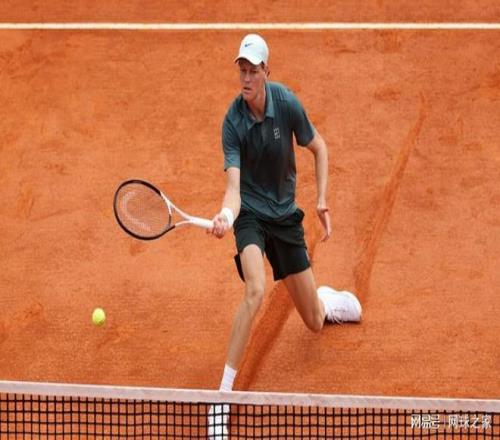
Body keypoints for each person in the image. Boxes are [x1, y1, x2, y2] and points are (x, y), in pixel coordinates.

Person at [209, 33, 362, 395]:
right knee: (255, 290)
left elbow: (318, 146)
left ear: (266, 71)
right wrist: (226, 215)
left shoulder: (286, 103)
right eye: (242, 70)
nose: (246, 78)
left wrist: (321, 198)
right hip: (250, 215)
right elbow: (233, 188)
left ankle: (326, 301)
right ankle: (222, 396)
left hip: (284, 216)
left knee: (314, 321)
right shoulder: (232, 122)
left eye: (253, 71)